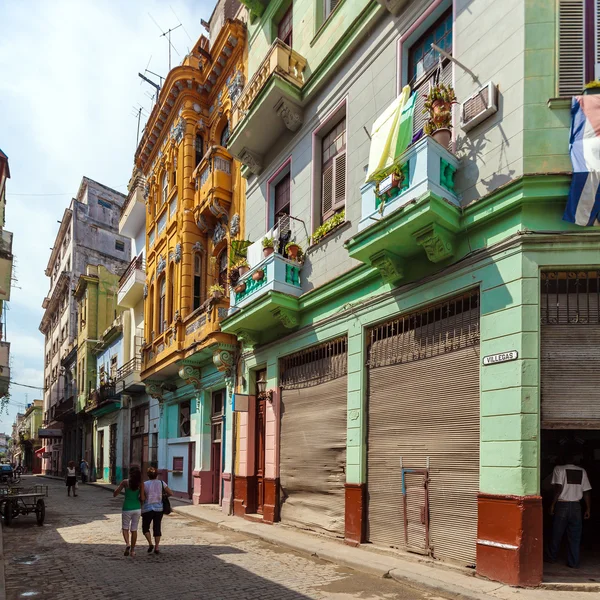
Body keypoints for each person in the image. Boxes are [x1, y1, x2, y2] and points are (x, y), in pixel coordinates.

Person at [548, 450, 592, 569]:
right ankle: (573, 562)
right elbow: (586, 491)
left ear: (562, 459)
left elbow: (558, 488)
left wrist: (552, 504)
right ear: (575, 460)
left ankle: (552, 558)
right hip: (577, 506)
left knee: (557, 533)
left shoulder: (558, 469)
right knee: (575, 536)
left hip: (562, 505)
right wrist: (588, 508)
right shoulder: (582, 471)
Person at [113, 465, 145, 557]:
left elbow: (116, 493)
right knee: (134, 529)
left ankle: (127, 544)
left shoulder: (125, 482)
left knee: (125, 528)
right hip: (137, 508)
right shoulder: (140, 484)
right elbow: (142, 498)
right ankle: (133, 551)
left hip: (127, 508)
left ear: (130, 473)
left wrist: (115, 492)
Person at [142, 467, 173, 555]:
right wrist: (163, 497)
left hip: (147, 508)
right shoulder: (161, 483)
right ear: (157, 475)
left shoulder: (145, 484)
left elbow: (142, 497)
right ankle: (156, 547)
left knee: (145, 528)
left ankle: (150, 543)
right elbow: (170, 493)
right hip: (159, 509)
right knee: (157, 528)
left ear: (148, 475)